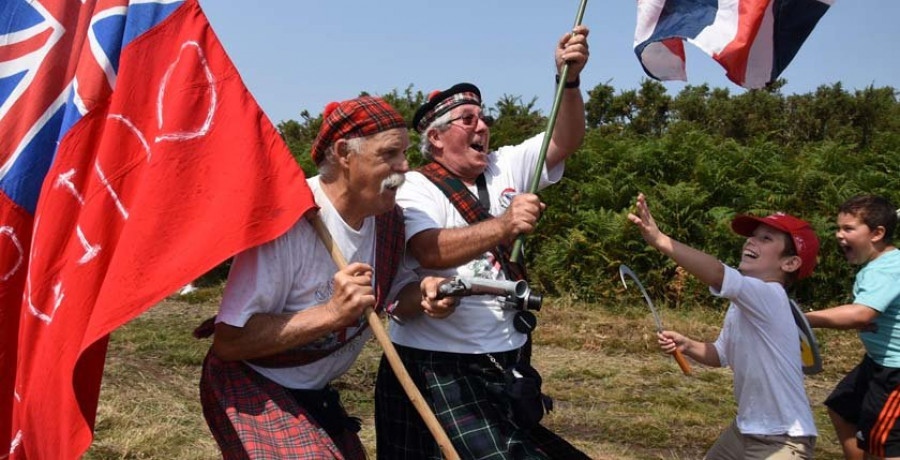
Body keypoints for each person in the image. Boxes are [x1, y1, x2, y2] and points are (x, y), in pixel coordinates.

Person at [374, 26, 591, 459]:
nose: (482, 127)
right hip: (438, 361)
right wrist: (503, 225)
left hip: (507, 356)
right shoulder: (415, 186)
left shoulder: (505, 165)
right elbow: (429, 250)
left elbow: (565, 139)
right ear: (435, 137)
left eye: (483, 117)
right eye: (468, 120)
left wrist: (568, 80)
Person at [197, 96, 456, 459]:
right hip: (253, 383)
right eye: (390, 154)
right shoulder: (289, 223)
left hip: (314, 389)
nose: (405, 168)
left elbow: (396, 292)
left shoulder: (388, 221)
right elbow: (229, 341)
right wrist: (333, 313)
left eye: (405, 153)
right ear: (344, 154)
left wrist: (426, 293)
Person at [629, 193, 819, 460]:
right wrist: (687, 344)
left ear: (789, 263)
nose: (752, 240)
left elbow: (718, 273)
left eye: (766, 238)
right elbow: (721, 355)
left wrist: (660, 240)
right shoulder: (742, 303)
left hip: (784, 439)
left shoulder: (771, 296)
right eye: (753, 235)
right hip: (745, 430)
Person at [806, 194, 900, 460]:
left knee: (884, 446)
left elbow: (860, 314)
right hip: (875, 362)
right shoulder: (881, 265)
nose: (838, 235)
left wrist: (802, 318)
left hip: (894, 371)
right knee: (842, 408)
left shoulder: (886, 269)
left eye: (848, 228)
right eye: (838, 227)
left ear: (877, 233)